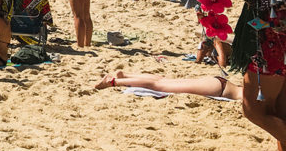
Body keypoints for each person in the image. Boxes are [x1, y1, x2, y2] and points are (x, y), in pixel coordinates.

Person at [94, 70, 241, 99]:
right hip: (218, 90)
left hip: (220, 84)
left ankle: (125, 76)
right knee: (160, 85)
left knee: (164, 81)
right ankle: (114, 82)